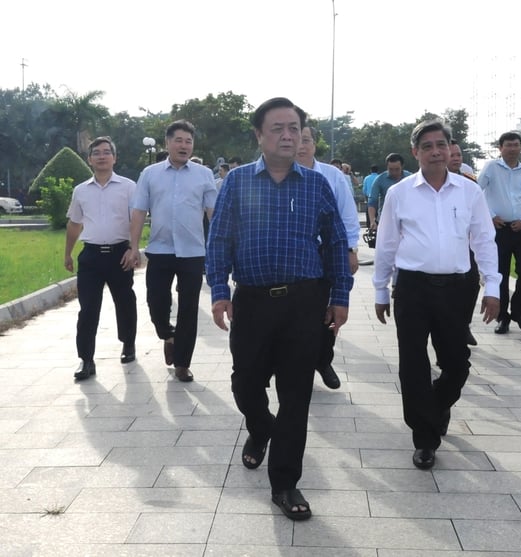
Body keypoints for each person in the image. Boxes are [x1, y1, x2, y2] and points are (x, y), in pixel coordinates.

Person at [206, 97, 352, 520]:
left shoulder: (316, 184)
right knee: (245, 383)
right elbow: (219, 241)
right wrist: (219, 290)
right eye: (278, 128)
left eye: (294, 128)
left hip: (303, 303)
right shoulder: (235, 182)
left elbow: (337, 243)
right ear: (259, 135)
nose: (288, 136)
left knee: (296, 395)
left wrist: (339, 296)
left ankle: (285, 482)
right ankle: (259, 428)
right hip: (251, 301)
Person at [373, 120, 501, 470]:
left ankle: (435, 404)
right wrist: (380, 289)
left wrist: (493, 286)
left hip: (457, 289)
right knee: (413, 365)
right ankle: (425, 439)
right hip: (413, 288)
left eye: (440, 145)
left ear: (450, 149)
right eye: (426, 146)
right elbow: (386, 245)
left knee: (457, 364)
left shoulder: (469, 191)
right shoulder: (399, 193)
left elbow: (484, 241)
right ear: (415, 152)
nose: (434, 151)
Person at [125, 120, 217, 383]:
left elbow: (213, 213)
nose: (184, 145)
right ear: (167, 143)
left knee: (189, 307)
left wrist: (220, 249)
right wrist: (133, 247)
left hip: (192, 252)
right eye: (178, 140)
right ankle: (168, 334)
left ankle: (183, 363)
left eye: (188, 141)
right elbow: (139, 211)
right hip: (160, 249)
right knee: (156, 302)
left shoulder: (203, 174)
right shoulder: (150, 174)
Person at [64, 136, 137, 380]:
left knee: (124, 302)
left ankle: (128, 343)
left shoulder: (128, 187)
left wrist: (134, 248)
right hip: (91, 257)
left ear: (114, 158)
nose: (102, 156)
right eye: (97, 153)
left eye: (107, 152)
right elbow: (74, 223)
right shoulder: (81, 190)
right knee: (88, 309)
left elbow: (137, 221)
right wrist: (68, 253)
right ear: (89, 159)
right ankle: (86, 359)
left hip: (120, 254)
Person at [297, 125, 360, 389]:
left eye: (307, 140)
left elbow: (347, 214)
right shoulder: (278, 173)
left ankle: (323, 360)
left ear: (315, 144)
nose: (301, 145)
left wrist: (350, 250)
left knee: (328, 311)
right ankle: (296, 365)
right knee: (296, 313)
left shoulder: (333, 176)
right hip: (295, 253)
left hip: (328, 251)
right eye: (296, 139)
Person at [478, 131, 521, 334]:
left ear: (520, 147)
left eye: (516, 145)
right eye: (508, 145)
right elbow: (476, 191)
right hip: (499, 230)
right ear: (500, 148)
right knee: (501, 275)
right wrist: (490, 215)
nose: (513, 148)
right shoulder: (491, 168)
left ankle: (518, 312)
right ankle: (502, 318)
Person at [448, 139, 481, 346]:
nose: (456, 159)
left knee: (471, 284)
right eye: (453, 155)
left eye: (459, 155)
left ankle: (464, 324)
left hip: (466, 244)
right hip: (441, 247)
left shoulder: (470, 183)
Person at [367, 153, 411, 231]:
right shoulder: (379, 180)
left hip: (408, 220)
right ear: (387, 167)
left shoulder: (410, 178)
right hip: (386, 221)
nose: (394, 172)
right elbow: (372, 201)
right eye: (391, 169)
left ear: (402, 167)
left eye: (397, 169)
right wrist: (372, 221)